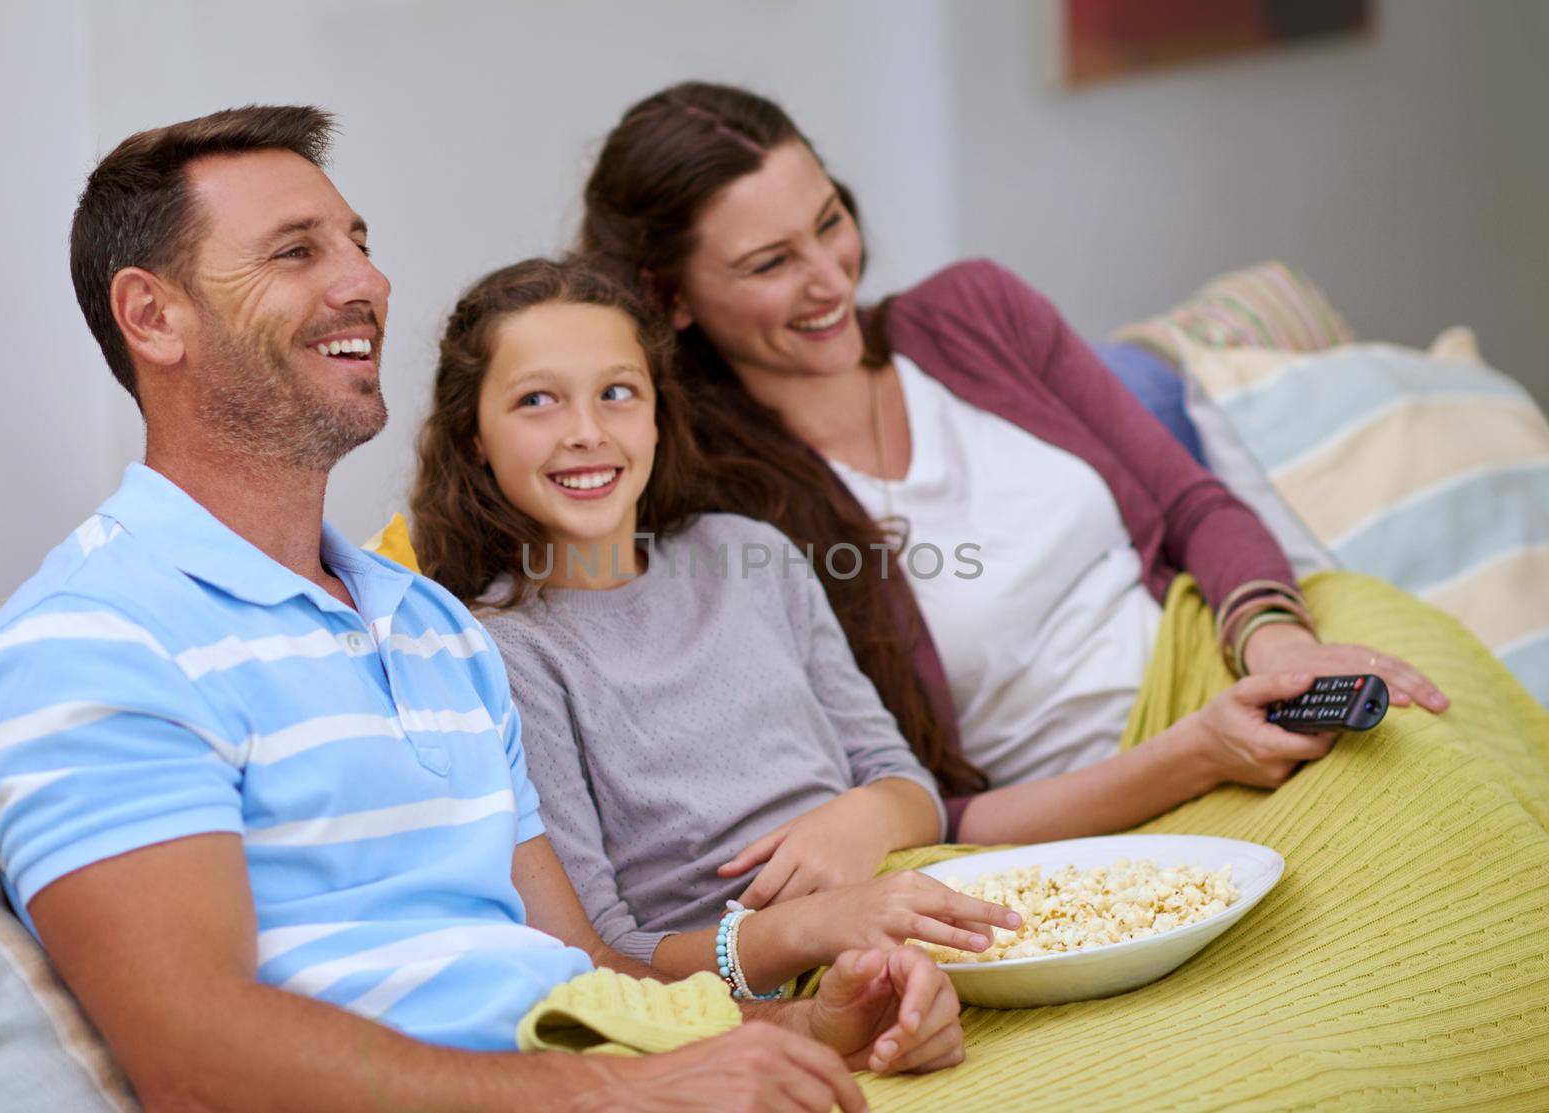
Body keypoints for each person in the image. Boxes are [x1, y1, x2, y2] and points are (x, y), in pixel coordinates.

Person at [0, 105, 966, 1113]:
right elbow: (194, 1055)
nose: (366, 282)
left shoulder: (430, 626)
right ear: (151, 316)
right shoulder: (87, 644)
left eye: (358, 243)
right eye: (297, 252)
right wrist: (611, 1092)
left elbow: (586, 965)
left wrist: (807, 1027)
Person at [576, 81, 1451, 852]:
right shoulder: (724, 514)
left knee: (1446, 750)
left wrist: (1283, 650)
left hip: (1241, 656)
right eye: (771, 263)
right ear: (668, 297)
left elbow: (1192, 505)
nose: (830, 279)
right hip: (1115, 807)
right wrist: (1196, 754)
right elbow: (931, 814)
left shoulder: (975, 312)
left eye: (829, 222)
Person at [406, 255, 1025, 989]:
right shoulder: (506, 653)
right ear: (474, 435)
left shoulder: (747, 552)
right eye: (538, 400)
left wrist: (863, 819)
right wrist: (806, 927)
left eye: (617, 392)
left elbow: (907, 782)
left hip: (921, 908)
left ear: (658, 412)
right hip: (773, 986)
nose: (586, 431)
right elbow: (610, 952)